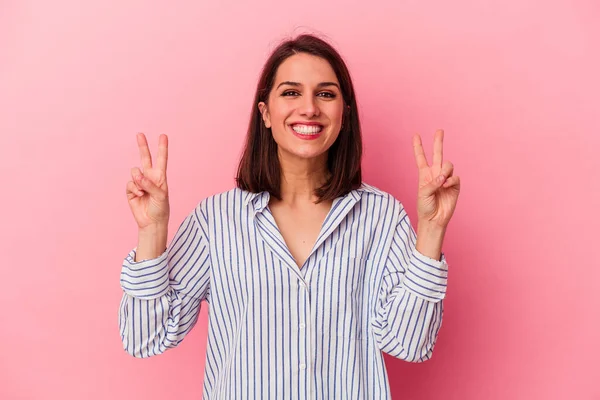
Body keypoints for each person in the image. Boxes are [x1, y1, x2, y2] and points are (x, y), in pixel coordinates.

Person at [119, 33, 460, 399]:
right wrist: (152, 232)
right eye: (291, 92)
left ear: (344, 115)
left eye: (326, 94)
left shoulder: (381, 217)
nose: (309, 108)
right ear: (265, 112)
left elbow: (409, 344)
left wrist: (432, 229)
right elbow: (145, 338)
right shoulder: (215, 220)